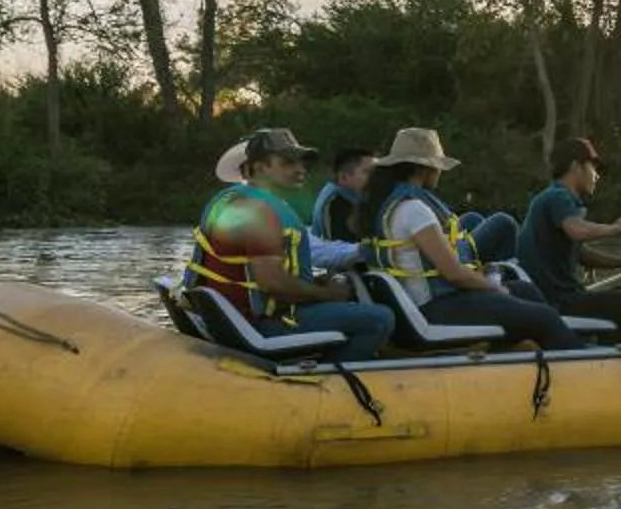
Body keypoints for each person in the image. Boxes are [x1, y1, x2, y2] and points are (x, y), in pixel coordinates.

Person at [183, 126, 394, 363]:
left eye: (302, 162)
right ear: (260, 167)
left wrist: (311, 283)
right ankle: (328, 385)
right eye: (288, 162)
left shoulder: (234, 200)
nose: (300, 169)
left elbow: (255, 274)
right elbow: (271, 282)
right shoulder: (260, 211)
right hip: (263, 324)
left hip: (237, 319)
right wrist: (327, 294)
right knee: (380, 319)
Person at [364, 127, 585, 351]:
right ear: (424, 168)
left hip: (430, 303)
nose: (440, 172)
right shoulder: (414, 209)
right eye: (438, 167)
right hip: (436, 309)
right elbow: (455, 274)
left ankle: (529, 357)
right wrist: (493, 288)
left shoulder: (388, 204)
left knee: (523, 290)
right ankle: (582, 364)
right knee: (544, 317)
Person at [521, 136, 621, 346]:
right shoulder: (558, 196)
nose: (597, 176)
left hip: (560, 300)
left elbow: (582, 254)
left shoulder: (554, 199)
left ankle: (611, 348)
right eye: (593, 167)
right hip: (559, 303)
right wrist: (617, 228)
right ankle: (618, 358)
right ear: (575, 166)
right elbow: (577, 231)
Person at [309, 148, 376, 244]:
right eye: (368, 172)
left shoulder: (350, 196)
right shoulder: (335, 202)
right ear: (343, 177)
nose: (375, 177)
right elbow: (337, 246)